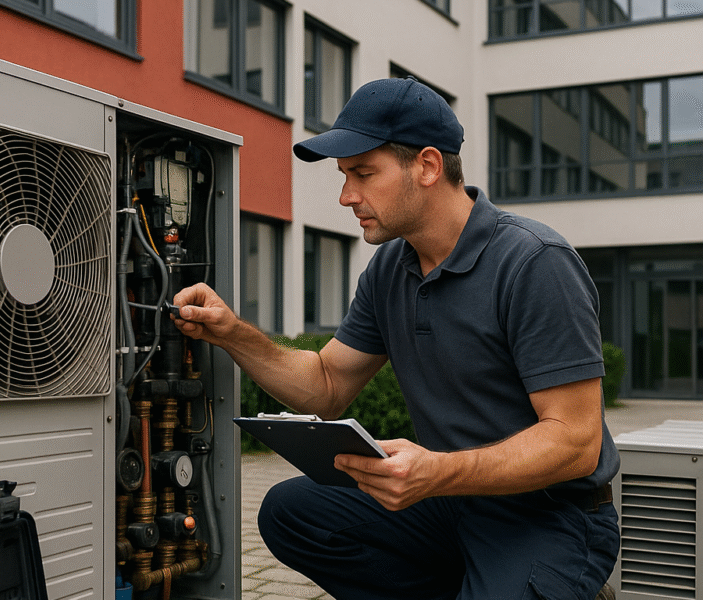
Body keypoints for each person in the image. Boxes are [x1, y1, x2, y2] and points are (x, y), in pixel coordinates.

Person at [173, 77, 620, 600]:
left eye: (363, 173)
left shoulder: (534, 263)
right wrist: (233, 335)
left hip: (549, 515)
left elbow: (576, 443)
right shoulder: (391, 267)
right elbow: (327, 384)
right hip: (450, 502)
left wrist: (439, 471)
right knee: (291, 512)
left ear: (428, 167)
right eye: (344, 176)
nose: (346, 196)